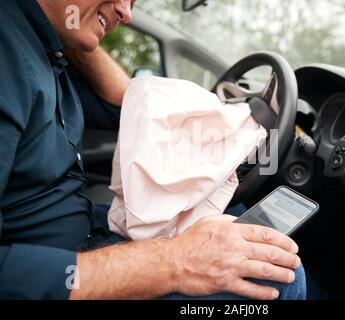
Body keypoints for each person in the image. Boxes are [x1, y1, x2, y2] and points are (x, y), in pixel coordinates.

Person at [0, 0, 306, 300]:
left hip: (80, 231)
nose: (127, 12)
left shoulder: (46, 51)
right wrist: (174, 261)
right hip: (62, 272)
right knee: (276, 276)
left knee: (236, 220)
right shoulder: (7, 54)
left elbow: (125, 104)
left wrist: (74, 34)